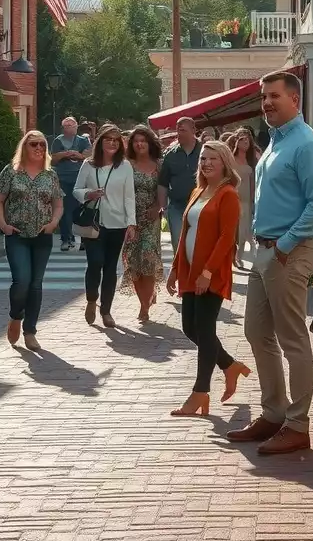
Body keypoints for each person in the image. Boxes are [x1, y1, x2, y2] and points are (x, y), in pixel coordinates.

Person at [226, 71, 313, 456]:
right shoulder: (274, 143)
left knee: (292, 339)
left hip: (290, 249)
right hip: (266, 252)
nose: (267, 103)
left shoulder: (307, 145)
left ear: (295, 100)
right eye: (263, 97)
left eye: (274, 96)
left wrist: (284, 245)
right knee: (256, 331)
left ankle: (298, 424)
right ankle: (274, 413)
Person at [166, 139, 250, 416]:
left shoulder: (228, 194)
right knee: (190, 328)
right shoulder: (198, 191)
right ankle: (229, 365)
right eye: (203, 158)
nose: (207, 163)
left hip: (210, 274)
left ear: (225, 162)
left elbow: (227, 238)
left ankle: (200, 392)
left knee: (204, 328)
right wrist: (175, 268)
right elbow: (184, 234)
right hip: (190, 272)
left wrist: (207, 272)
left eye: (213, 158)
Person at [0, 130, 63, 352]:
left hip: (42, 235)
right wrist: (3, 225)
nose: (39, 148)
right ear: (24, 147)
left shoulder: (50, 175)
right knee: (21, 281)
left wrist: (53, 223)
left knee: (35, 284)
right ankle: (15, 316)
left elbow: (58, 203)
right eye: (33, 144)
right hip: (17, 235)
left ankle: (30, 331)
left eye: (42, 144)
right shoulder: (11, 172)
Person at [73, 124, 136, 328]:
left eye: (116, 140)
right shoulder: (88, 165)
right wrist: (88, 194)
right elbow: (76, 190)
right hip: (94, 222)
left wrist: (131, 223)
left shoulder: (125, 166)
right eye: (108, 139)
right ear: (100, 142)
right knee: (95, 262)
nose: (112, 143)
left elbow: (129, 197)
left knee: (110, 268)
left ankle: (106, 310)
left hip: (117, 223)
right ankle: (92, 298)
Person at [119, 125, 164, 323]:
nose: (139, 144)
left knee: (148, 259)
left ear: (150, 143)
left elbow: (164, 190)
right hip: (130, 219)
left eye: (143, 140)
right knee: (132, 261)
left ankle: (145, 305)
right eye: (136, 141)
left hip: (151, 218)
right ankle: (143, 300)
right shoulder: (126, 164)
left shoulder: (159, 164)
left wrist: (158, 207)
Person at [157, 117, 200, 261]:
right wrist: (163, 208)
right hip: (177, 207)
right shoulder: (171, 154)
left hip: (201, 206)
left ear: (194, 130)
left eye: (183, 130)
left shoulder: (205, 151)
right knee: (178, 244)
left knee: (198, 245)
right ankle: (182, 279)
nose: (179, 134)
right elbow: (163, 182)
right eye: (178, 130)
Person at [51, 116, 91, 252]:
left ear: (76, 127)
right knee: (65, 210)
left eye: (71, 125)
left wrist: (77, 155)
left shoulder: (83, 141)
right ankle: (66, 239)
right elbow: (53, 160)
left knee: (82, 209)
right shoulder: (58, 141)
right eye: (66, 126)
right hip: (63, 179)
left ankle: (85, 240)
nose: (69, 128)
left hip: (81, 179)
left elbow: (89, 156)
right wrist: (65, 154)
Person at [232, 126, 257, 268]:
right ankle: (233, 255)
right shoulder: (231, 159)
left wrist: (254, 199)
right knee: (236, 230)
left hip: (247, 201)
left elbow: (253, 182)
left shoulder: (251, 160)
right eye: (242, 140)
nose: (245, 143)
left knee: (245, 230)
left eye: (247, 141)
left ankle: (239, 256)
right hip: (234, 199)